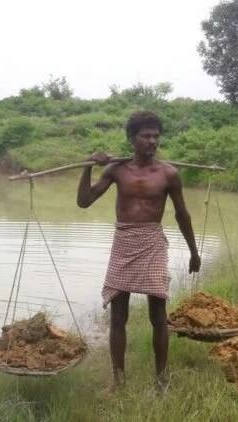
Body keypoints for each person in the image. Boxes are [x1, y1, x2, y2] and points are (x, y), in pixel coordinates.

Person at [77, 110, 201, 392]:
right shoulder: (117, 170)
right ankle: (118, 380)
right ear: (132, 139)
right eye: (145, 136)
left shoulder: (168, 173)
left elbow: (183, 215)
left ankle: (161, 380)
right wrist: (87, 166)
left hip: (152, 243)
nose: (152, 141)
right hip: (124, 242)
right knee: (118, 316)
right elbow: (84, 201)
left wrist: (194, 252)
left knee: (158, 315)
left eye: (156, 136)